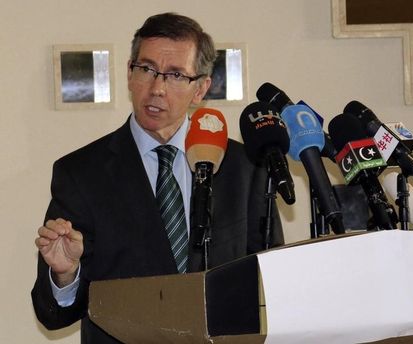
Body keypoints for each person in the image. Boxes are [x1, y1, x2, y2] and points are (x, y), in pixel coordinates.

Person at [32, 12, 283, 343]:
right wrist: (65, 275)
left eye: (176, 75)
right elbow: (53, 314)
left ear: (201, 88)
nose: (157, 88)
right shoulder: (81, 173)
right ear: (129, 73)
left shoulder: (245, 167)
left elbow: (273, 285)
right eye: (147, 69)